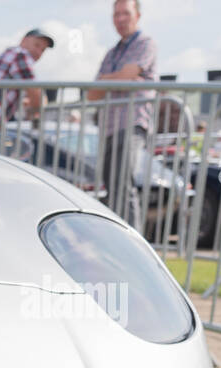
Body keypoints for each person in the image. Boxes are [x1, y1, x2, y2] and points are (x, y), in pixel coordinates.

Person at [89, 0, 157, 229]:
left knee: (122, 185)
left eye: (125, 13)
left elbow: (122, 77)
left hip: (131, 122)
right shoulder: (111, 53)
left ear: (137, 15)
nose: (120, 19)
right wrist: (119, 79)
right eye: (116, 14)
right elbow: (93, 94)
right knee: (111, 186)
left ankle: (135, 248)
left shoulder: (145, 43)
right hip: (109, 126)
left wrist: (109, 79)